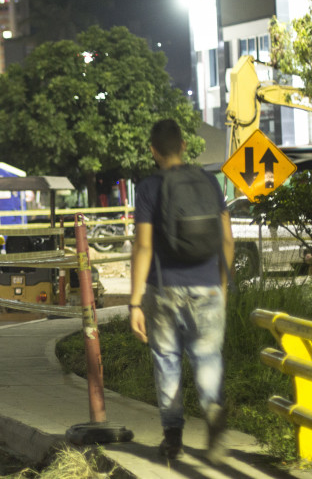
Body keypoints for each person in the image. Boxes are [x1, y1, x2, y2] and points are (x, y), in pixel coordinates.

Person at [129, 118, 234, 463]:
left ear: (153, 151)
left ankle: (173, 439)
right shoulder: (208, 181)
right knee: (207, 357)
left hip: (164, 289)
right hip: (208, 285)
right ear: (184, 146)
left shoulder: (148, 188)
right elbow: (227, 238)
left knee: (167, 361)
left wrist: (134, 303)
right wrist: (222, 283)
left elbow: (143, 247)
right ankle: (214, 411)